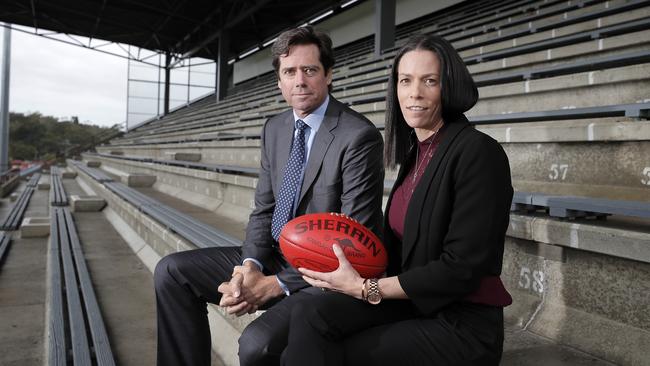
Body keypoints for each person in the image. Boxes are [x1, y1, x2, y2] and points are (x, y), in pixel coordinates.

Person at [153, 26, 384, 366]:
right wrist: (249, 267)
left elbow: (355, 246)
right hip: (276, 255)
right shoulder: (275, 128)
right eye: (289, 72)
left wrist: (277, 284)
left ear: (328, 75)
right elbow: (264, 211)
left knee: (257, 345)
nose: (300, 81)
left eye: (310, 70)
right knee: (172, 272)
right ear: (279, 81)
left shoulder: (357, 136)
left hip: (327, 275)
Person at [281, 34, 514, 366]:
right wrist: (345, 255)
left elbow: (461, 269)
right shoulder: (416, 155)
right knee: (309, 312)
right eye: (405, 81)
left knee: (325, 353)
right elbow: (395, 250)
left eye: (429, 81)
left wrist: (365, 288)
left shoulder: (478, 152)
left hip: (460, 324)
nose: (414, 93)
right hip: (413, 304)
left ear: (448, 87)